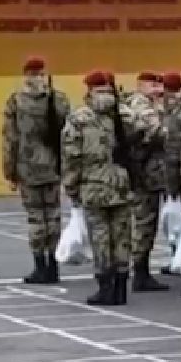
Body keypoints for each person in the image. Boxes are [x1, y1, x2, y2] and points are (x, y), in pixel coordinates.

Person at [62, 72, 133, 305]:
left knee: (100, 237)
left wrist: (71, 186)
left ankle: (105, 287)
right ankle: (121, 287)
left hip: (93, 185)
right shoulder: (124, 114)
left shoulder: (80, 118)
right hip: (121, 183)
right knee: (122, 236)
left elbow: (72, 155)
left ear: (89, 89)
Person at [1, 57, 72, 284]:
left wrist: (9, 171)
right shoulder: (59, 100)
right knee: (53, 217)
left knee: (35, 219)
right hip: (53, 167)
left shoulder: (16, 101)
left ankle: (40, 266)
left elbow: (10, 139)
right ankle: (53, 265)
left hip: (28, 168)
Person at [125, 72, 169, 292]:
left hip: (149, 172)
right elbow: (158, 132)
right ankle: (140, 271)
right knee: (144, 223)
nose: (157, 89)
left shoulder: (145, 104)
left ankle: (140, 269)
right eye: (153, 85)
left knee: (146, 222)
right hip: (144, 173)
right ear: (141, 85)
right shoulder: (141, 105)